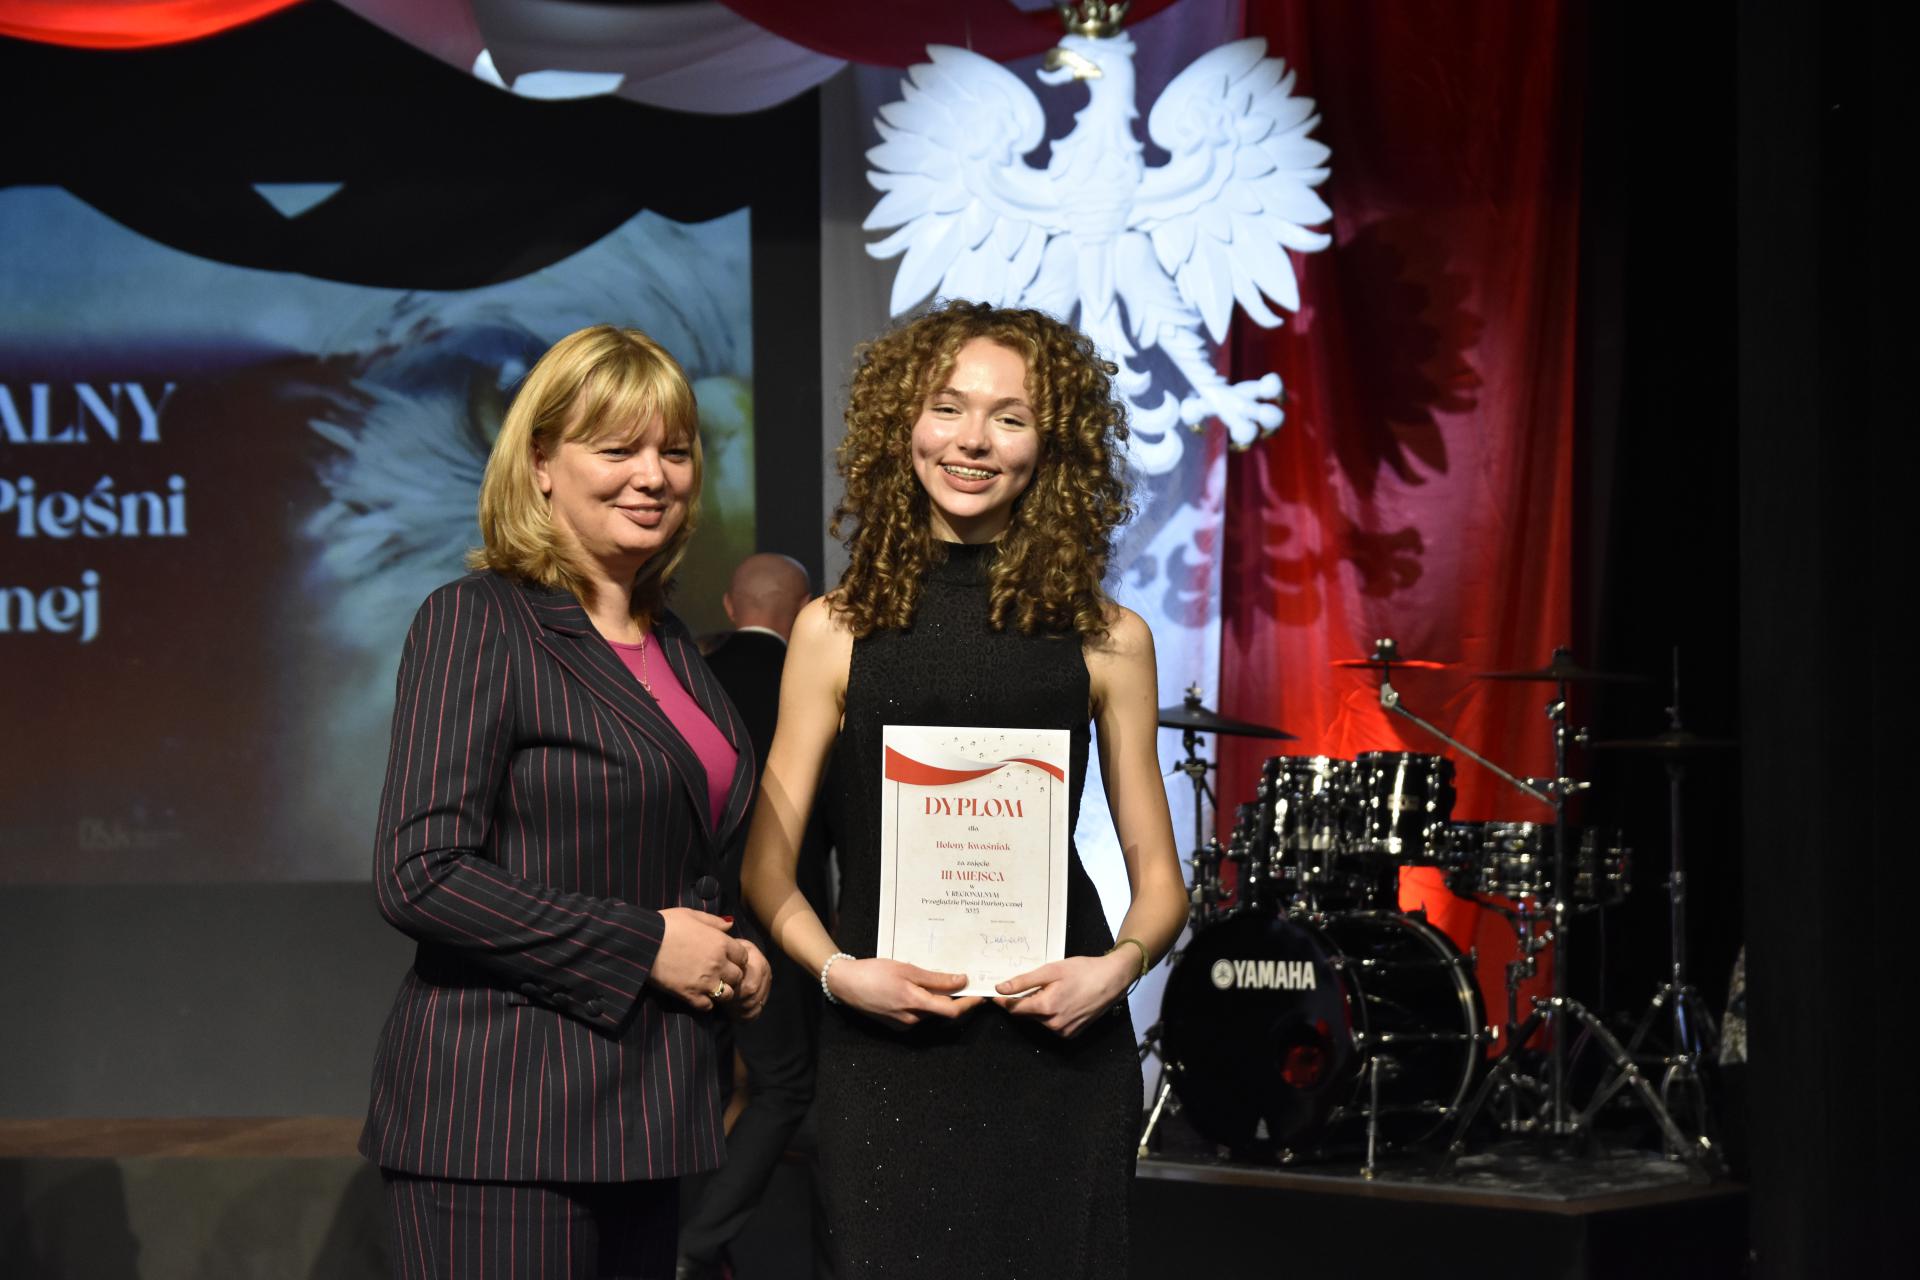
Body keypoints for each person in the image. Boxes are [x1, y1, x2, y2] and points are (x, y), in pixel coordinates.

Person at [741, 300, 1190, 1278]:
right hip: (883, 1050)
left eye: (1009, 416)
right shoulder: (834, 629)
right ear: (903, 422)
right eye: (948, 407)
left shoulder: (1109, 639)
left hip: (1060, 1053)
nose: (972, 439)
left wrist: (1114, 970)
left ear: (1051, 447)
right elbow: (766, 866)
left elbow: (1161, 879)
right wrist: (838, 973)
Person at [360, 324, 770, 1280]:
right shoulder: (479, 620)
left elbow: (671, 855)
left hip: (648, 1121)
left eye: (675, 451)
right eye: (618, 448)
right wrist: (646, 944)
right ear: (540, 462)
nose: (653, 476)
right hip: (503, 1125)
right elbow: (420, 874)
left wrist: (731, 953)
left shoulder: (674, 644)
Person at [677, 552, 835, 1280]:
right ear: (804, 609)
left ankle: (684, 1240)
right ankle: (697, 1243)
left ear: (729, 606)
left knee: (696, 1087)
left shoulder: (688, 679)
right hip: (782, 919)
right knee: (786, 1084)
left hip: (685, 920)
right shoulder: (815, 686)